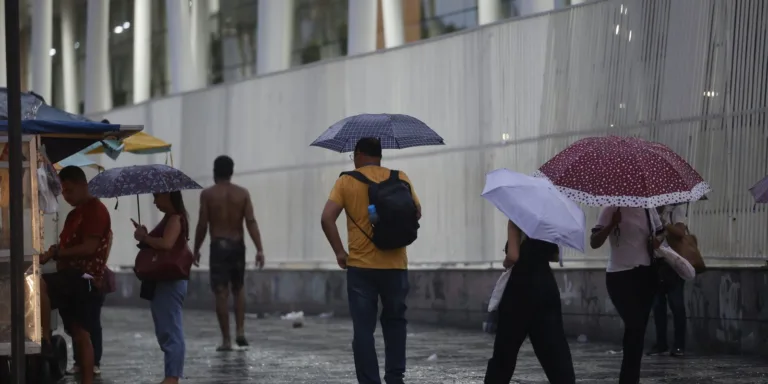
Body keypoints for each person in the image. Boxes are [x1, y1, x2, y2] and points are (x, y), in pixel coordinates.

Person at [320, 137, 421, 384]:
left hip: (361, 268)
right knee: (396, 323)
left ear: (358, 154)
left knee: (364, 330)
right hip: (396, 265)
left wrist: (339, 253)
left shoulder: (346, 181)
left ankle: (370, 381)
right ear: (379, 155)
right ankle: (395, 378)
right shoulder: (401, 177)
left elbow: (326, 218)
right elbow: (417, 212)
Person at [39, 166, 111, 384]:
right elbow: (67, 244)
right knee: (78, 331)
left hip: (83, 277)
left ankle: (44, 340)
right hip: (70, 275)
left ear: (83, 185)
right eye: (64, 192)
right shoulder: (73, 214)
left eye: (69, 191)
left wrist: (59, 253)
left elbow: (89, 247)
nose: (66, 196)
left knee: (38, 285)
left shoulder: (95, 210)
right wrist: (54, 252)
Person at [485, 221, 576, 384]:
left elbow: (513, 256)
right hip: (546, 288)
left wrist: (506, 263)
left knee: (504, 354)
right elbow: (554, 256)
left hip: (519, 290)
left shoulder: (516, 218)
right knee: (555, 352)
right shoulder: (551, 219)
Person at [194, 155, 265, 351]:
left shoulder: (208, 195)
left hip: (218, 246)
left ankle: (226, 340)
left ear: (214, 172)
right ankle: (240, 331)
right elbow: (251, 222)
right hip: (237, 245)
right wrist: (259, 249)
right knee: (238, 287)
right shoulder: (242, 194)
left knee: (221, 292)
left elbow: (202, 224)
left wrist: (196, 249)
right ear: (231, 172)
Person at [591, 206, 662, 384]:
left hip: (646, 274)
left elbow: (661, 233)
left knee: (637, 331)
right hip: (619, 276)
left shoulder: (649, 209)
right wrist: (612, 224)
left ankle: (630, 379)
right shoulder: (611, 208)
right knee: (634, 324)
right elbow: (594, 242)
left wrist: (657, 241)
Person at [136, 191, 190, 384]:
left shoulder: (175, 218)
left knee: (170, 329)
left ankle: (172, 376)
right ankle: (171, 374)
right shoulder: (168, 219)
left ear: (169, 195)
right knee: (165, 328)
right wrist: (144, 235)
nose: (155, 201)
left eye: (157, 196)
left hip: (170, 281)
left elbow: (166, 244)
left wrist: (146, 238)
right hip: (164, 280)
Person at [647, 204, 688, 357]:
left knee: (676, 304)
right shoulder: (649, 209)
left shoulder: (675, 209)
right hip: (655, 262)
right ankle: (661, 343)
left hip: (672, 263)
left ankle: (679, 345)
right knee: (657, 305)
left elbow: (680, 233)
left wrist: (664, 223)